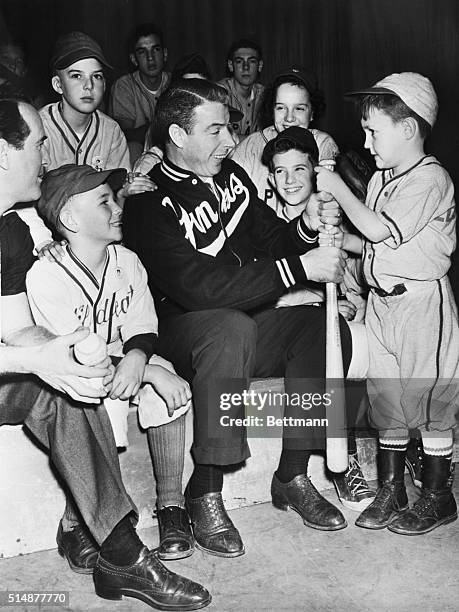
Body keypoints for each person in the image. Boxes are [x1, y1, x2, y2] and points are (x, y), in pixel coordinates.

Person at [122, 78, 352, 558]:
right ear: (179, 136)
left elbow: (274, 243)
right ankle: (204, 491)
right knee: (229, 325)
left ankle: (291, 473)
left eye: (229, 128)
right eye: (216, 131)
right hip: (184, 332)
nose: (231, 142)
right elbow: (197, 289)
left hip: (243, 324)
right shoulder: (147, 202)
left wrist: (306, 226)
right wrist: (298, 268)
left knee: (323, 326)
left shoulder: (233, 179)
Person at [0, 97, 211, 611]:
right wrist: (37, 359)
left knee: (65, 388)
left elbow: (14, 331)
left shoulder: (6, 230)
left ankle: (120, 556)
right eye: (39, 145)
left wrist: (58, 352)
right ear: (4, 153)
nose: (46, 155)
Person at [26, 163, 195, 564]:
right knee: (99, 403)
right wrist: (142, 367)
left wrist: (141, 358)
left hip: (124, 359)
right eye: (104, 201)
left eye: (114, 197)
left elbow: (143, 324)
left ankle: (171, 507)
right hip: (77, 374)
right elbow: (73, 356)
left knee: (167, 381)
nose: (117, 206)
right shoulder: (46, 276)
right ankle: (78, 522)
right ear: (70, 219)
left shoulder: (126, 259)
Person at [315, 72, 459, 535]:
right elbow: (375, 244)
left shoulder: (432, 177)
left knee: (430, 399)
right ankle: (393, 487)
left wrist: (337, 188)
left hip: (421, 305)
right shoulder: (381, 177)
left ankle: (439, 494)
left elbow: (380, 230)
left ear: (409, 129)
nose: (366, 140)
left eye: (374, 131)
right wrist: (341, 238)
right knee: (387, 398)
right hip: (382, 304)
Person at [261, 125, 374, 511]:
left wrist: (351, 303)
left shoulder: (335, 221)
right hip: (288, 324)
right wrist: (309, 304)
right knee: (326, 339)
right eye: (280, 171)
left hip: (332, 319)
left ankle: (351, 456)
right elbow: (260, 290)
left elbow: (358, 283)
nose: (290, 180)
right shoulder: (263, 221)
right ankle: (335, 465)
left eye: (299, 169)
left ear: (316, 172)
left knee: (352, 336)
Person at [231, 66, 338, 212]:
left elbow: (327, 201)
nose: (289, 117)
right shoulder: (251, 145)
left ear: (312, 113)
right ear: (272, 109)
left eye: (299, 108)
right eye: (281, 108)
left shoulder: (322, 142)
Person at [109, 23, 170, 165]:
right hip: (139, 154)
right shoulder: (124, 86)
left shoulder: (175, 82)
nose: (150, 58)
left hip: (171, 150)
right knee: (132, 147)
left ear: (165, 54)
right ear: (134, 59)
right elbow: (124, 134)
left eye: (155, 49)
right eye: (142, 52)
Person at [217, 38, 265, 140]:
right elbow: (218, 139)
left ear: (260, 66)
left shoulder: (266, 95)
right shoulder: (218, 93)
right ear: (231, 65)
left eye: (252, 61)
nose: (246, 67)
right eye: (239, 61)